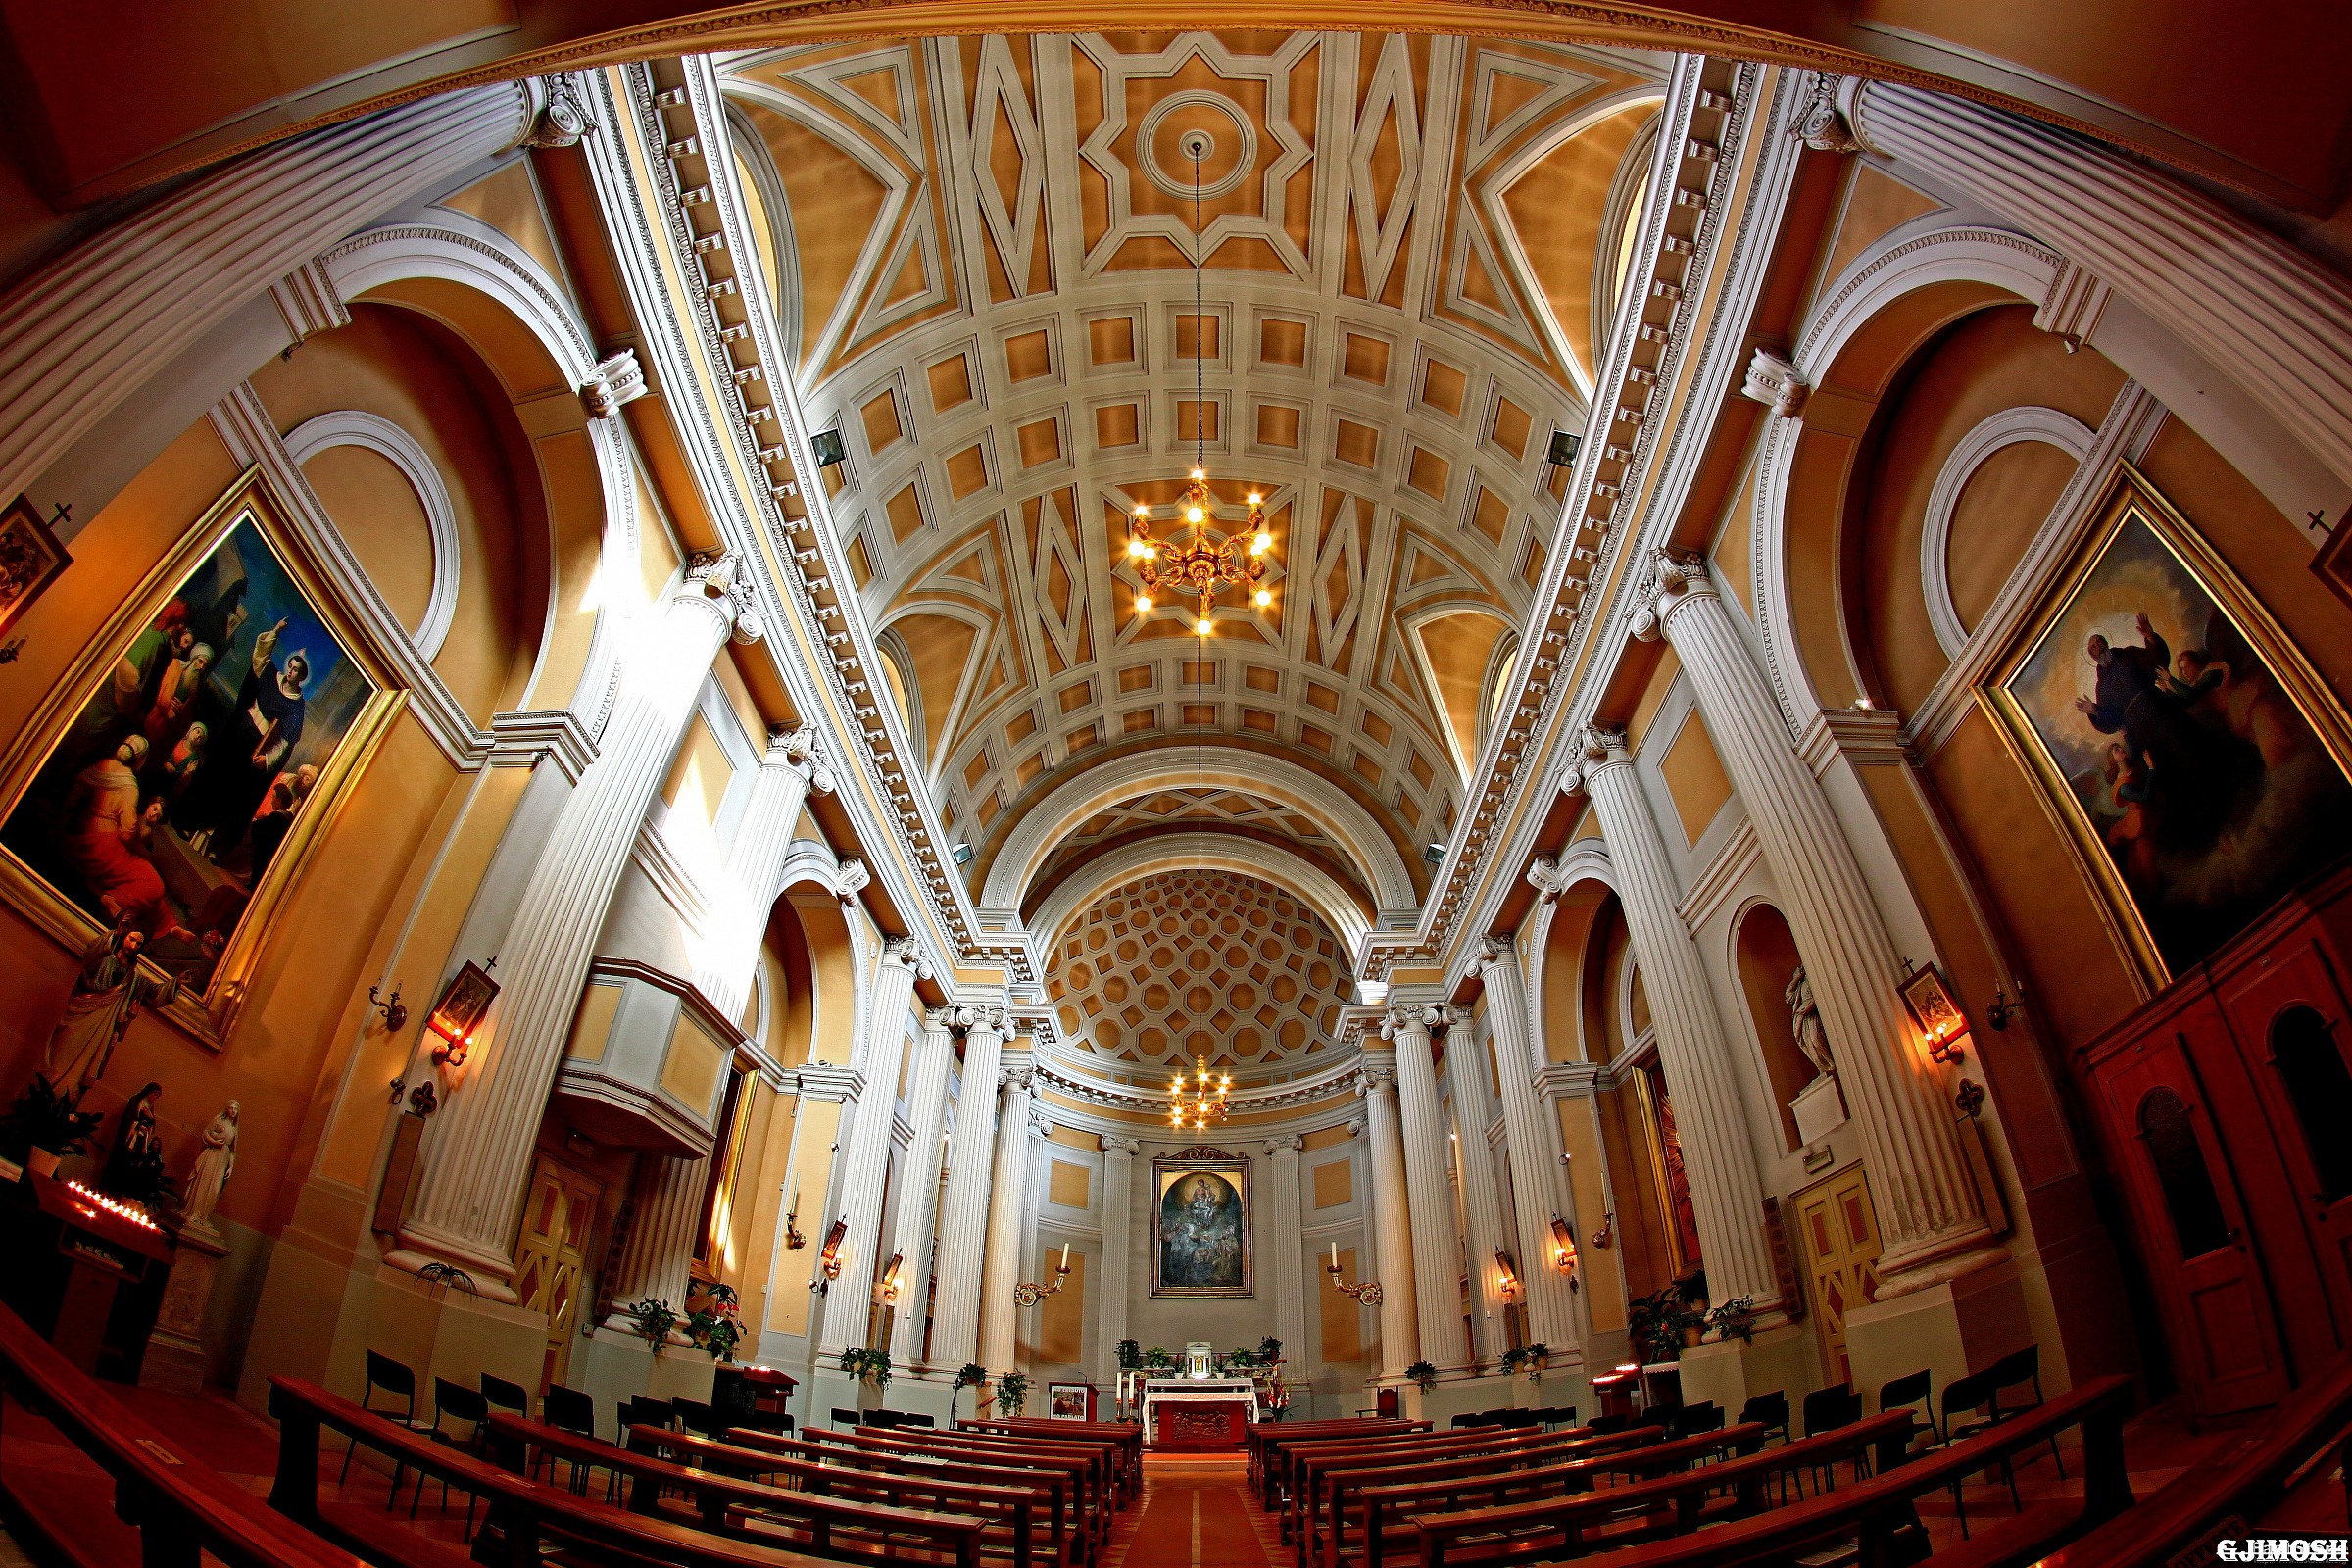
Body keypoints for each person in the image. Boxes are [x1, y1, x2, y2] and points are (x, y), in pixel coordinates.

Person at [204, 619, 309, 861]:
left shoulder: (296, 707)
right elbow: (260, 657)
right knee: (218, 780)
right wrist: (275, 632)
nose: (291, 672)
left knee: (237, 798)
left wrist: (267, 760)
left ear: (301, 677)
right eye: (291, 667)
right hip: (239, 734)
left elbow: (285, 742)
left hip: (256, 749)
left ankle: (216, 847)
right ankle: (196, 825)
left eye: (296, 670)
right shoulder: (272, 677)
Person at [40, 925, 181, 1105]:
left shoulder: (134, 977)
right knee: (58, 1062)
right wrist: (113, 934)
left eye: (139, 943)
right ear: (123, 937)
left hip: (102, 1031)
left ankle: (63, 1109)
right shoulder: (102, 960)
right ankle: (41, 1100)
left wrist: (177, 983)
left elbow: (153, 994)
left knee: (81, 1073)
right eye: (131, 939)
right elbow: (90, 955)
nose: (134, 946)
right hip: (79, 1019)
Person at [179, 1100, 239, 1235]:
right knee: (203, 1182)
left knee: (215, 1189)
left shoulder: (234, 1129)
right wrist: (213, 1141)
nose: (234, 1111)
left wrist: (231, 1167)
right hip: (211, 1154)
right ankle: (194, 1212)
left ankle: (204, 1216)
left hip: (223, 1159)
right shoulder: (218, 1120)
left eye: (236, 1109)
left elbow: (232, 1151)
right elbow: (206, 1132)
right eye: (231, 1108)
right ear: (227, 1109)